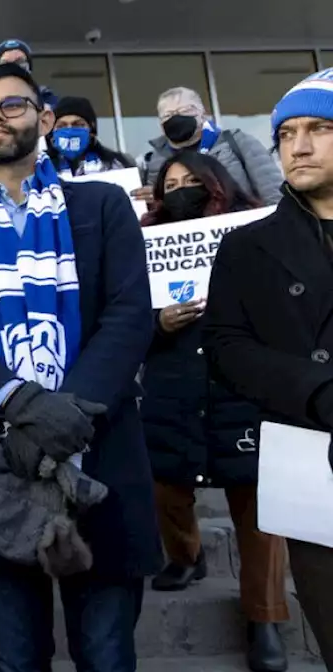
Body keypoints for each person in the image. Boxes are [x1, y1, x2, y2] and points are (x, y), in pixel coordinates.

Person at [0, 64, 160, 671]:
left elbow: (130, 314)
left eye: (12, 105)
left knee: (106, 653)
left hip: (97, 445)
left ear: (45, 120)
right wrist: (21, 405)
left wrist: (66, 412)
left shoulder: (102, 204)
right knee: (15, 656)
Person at [203, 67, 333, 672]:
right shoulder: (246, 247)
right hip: (310, 464)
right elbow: (228, 347)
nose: (298, 146)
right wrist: (316, 392)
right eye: (286, 135)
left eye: (319, 129)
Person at [137, 150, 287, 672]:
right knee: (166, 489)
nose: (180, 191)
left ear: (217, 184)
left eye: (191, 181)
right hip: (172, 389)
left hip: (239, 387)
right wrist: (158, 322)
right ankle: (185, 555)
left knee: (259, 509)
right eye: (169, 183)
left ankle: (264, 616)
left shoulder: (257, 237)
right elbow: (121, 319)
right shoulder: (141, 246)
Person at [136, 86, 283, 206]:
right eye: (168, 115)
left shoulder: (237, 142)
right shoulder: (152, 163)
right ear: (160, 124)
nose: (176, 117)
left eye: (186, 110)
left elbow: (272, 190)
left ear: (202, 114)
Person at [48, 96, 134, 176]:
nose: (69, 131)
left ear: (91, 130)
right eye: (61, 126)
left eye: (77, 125)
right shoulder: (40, 166)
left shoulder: (117, 164)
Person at [0, 39, 59, 109]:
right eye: (6, 64)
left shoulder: (45, 96)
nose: (14, 68)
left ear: (29, 68)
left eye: (20, 61)